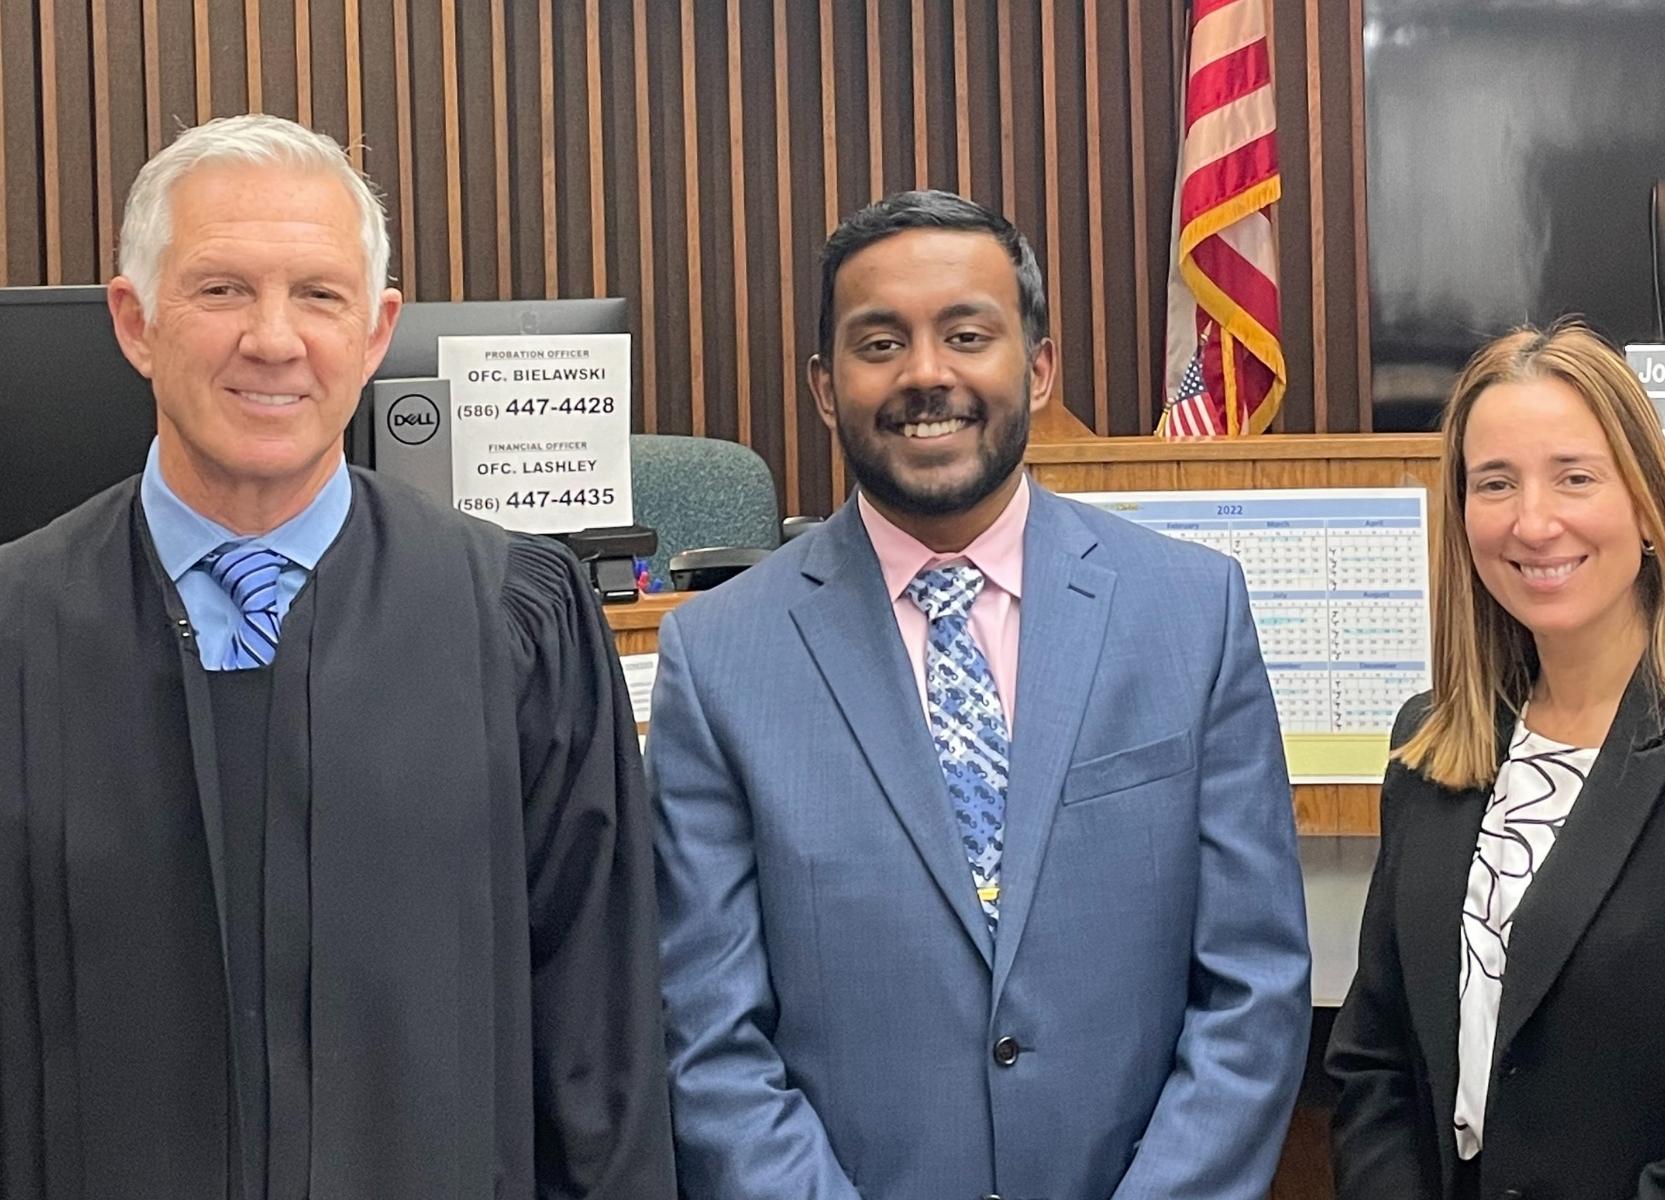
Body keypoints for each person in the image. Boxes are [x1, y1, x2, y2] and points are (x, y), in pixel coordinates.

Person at [0, 114, 676, 1199]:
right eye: (221, 290)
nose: (273, 339)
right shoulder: (17, 635)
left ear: (374, 329)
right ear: (134, 322)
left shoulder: (515, 620)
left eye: (318, 295)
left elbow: (599, 1045)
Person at [647, 189, 1311, 1200]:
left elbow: (1253, 988)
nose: (927, 375)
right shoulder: (719, 655)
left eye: (967, 334)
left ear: (1038, 368)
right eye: (881, 343)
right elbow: (710, 1040)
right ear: (826, 388)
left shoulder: (1191, 612)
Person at [1326, 322, 1665, 1200]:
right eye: (1495, 483)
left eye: (1575, 478)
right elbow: (1374, 1063)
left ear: (1648, 506)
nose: (1533, 521)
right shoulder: (1430, 747)